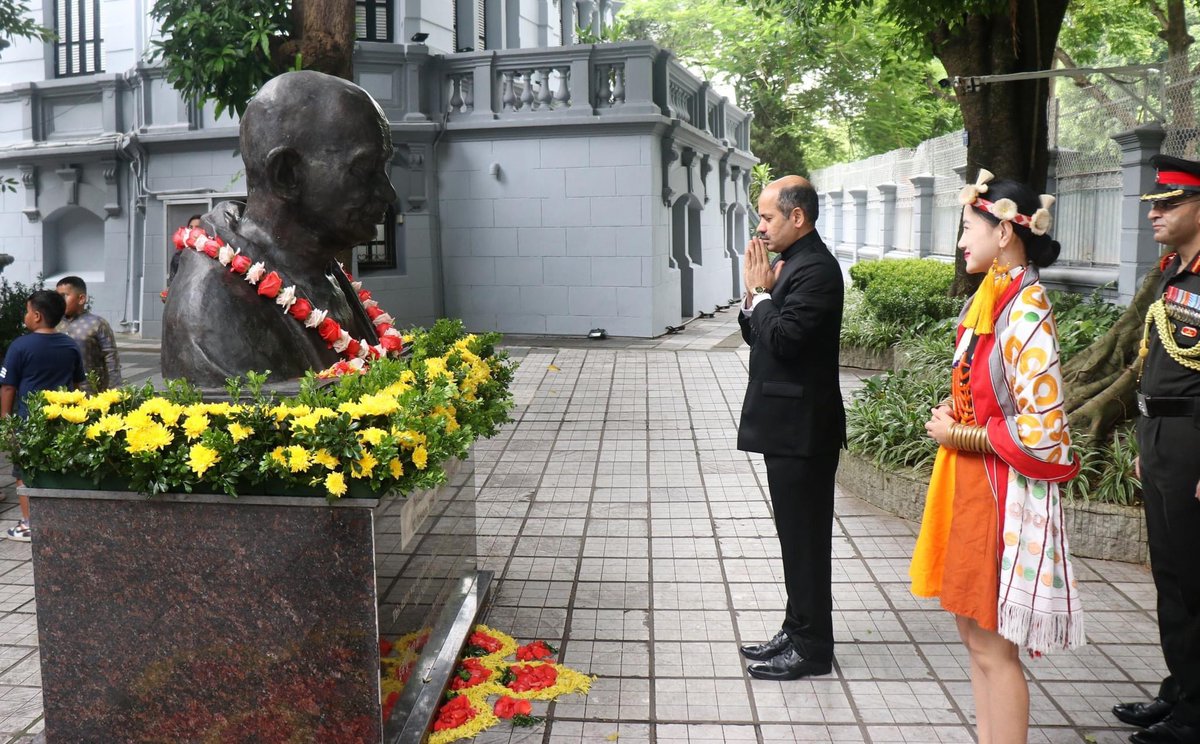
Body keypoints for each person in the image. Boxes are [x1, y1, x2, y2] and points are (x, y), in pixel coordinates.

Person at [911, 171, 1084, 744]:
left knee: (991, 645)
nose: (961, 240)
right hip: (974, 485)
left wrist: (960, 435)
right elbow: (986, 390)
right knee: (975, 641)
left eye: (968, 226)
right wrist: (957, 412)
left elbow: (1043, 431)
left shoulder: (1026, 307)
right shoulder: (1000, 295)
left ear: (1006, 230)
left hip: (996, 490)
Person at [161, 70, 397, 386]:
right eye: (364, 170)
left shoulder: (322, 270)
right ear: (286, 175)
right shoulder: (209, 304)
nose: (387, 193)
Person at [735, 175, 846, 681]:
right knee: (793, 538)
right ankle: (796, 626)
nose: (759, 228)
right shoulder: (792, 264)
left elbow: (781, 340)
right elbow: (756, 333)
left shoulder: (817, 270)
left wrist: (761, 296)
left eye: (767, 217)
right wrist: (752, 299)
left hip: (805, 431)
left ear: (796, 217)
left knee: (805, 542)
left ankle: (812, 648)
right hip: (787, 427)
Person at [1111, 154, 1200, 744]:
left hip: (1195, 438)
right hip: (1164, 434)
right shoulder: (1177, 271)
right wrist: (1149, 439)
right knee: (1171, 574)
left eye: (1169, 204)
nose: (1156, 214)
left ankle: (1195, 715)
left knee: (1195, 577)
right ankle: (1181, 690)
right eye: (1154, 205)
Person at [0, 290, 85, 541]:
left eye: (27, 311)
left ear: (36, 316)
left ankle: (29, 524)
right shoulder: (70, 344)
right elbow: (78, 383)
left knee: (23, 472)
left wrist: (5, 416)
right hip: (61, 421)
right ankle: (59, 521)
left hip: (28, 421)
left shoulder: (20, 346)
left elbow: (7, 386)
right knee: (57, 469)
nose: (25, 316)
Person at [55, 276, 122, 392]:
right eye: (57, 297)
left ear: (81, 299)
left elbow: (111, 359)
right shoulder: (53, 323)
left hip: (91, 393)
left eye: (64, 296)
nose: (59, 301)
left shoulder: (97, 324)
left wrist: (115, 391)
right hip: (59, 393)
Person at [166, 214, 203, 288]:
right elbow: (173, 283)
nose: (192, 230)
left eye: (197, 227)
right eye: (190, 227)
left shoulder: (210, 255)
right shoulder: (179, 257)